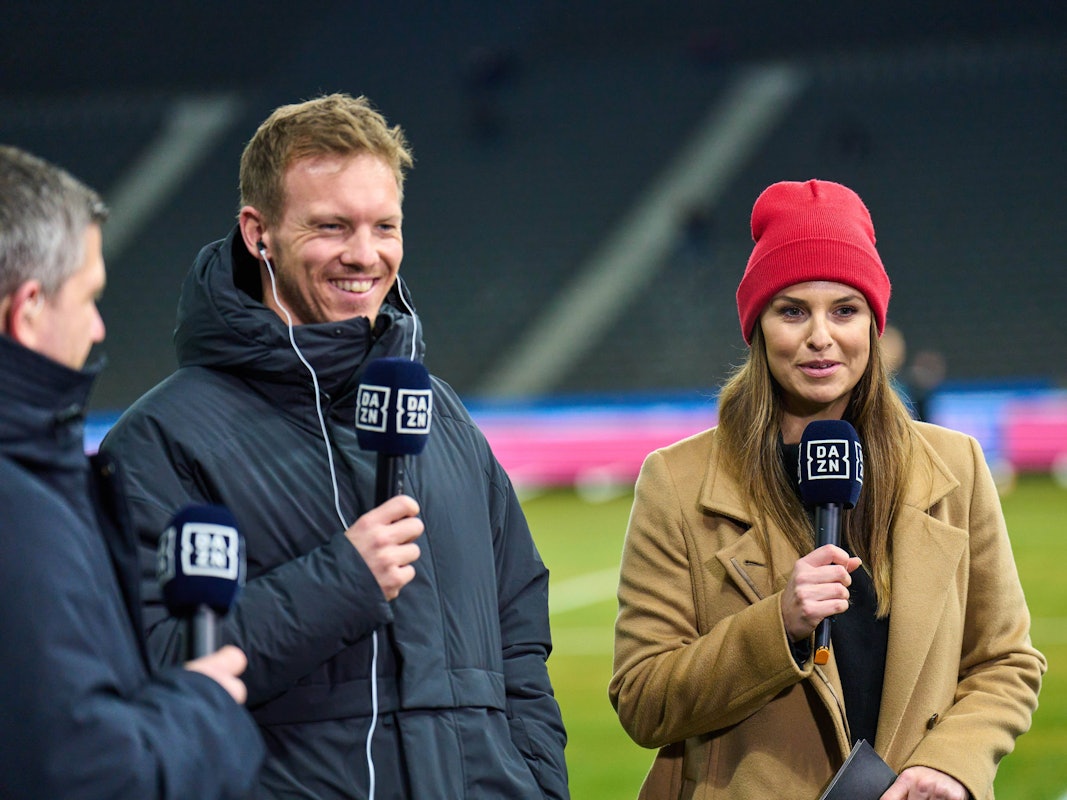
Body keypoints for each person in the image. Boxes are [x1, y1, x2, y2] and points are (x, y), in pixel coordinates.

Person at [100, 93, 569, 799]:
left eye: (385, 226)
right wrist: (342, 581)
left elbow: (521, 640)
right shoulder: (162, 442)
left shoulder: (442, 418)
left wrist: (536, 782)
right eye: (331, 227)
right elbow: (156, 664)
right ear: (259, 232)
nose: (365, 254)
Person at [609, 179, 1045, 800]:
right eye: (793, 311)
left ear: (873, 325)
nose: (821, 336)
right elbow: (642, 698)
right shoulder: (675, 483)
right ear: (757, 325)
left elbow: (1006, 662)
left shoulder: (957, 467)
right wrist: (777, 624)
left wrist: (949, 765)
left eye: (845, 310)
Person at [0, 145, 264, 798]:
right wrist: (202, 710)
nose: (96, 327)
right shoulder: (16, 511)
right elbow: (85, 773)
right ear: (27, 310)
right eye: (88, 297)